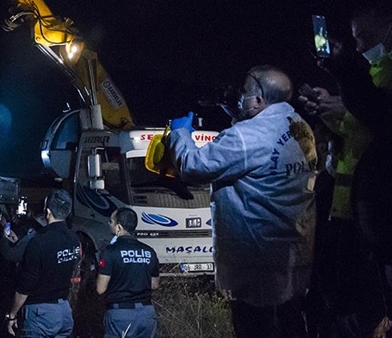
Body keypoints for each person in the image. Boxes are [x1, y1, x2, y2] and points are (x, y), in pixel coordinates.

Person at [167, 65, 317, 338]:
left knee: (255, 327)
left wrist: (180, 134)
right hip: (292, 249)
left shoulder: (246, 137)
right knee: (291, 324)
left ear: (259, 100)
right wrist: (238, 116)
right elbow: (262, 144)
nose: (238, 97)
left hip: (256, 258)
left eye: (244, 93)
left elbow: (193, 165)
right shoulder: (299, 126)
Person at [301, 5, 392, 336]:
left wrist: (345, 78)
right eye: (356, 40)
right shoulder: (375, 70)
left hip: (376, 207)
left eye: (365, 37)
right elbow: (361, 125)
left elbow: (375, 114)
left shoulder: (382, 72)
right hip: (356, 206)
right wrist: (331, 111)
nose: (360, 47)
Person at [6, 189, 80, 338]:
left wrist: (12, 315)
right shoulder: (74, 240)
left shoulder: (39, 242)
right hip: (64, 311)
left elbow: (24, 288)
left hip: (41, 314)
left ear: (48, 212)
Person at [96, 207, 160, 338]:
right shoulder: (149, 251)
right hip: (147, 314)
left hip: (121, 315)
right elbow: (154, 284)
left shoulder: (110, 252)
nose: (109, 224)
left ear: (119, 227)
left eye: (111, 221)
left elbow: (100, 289)